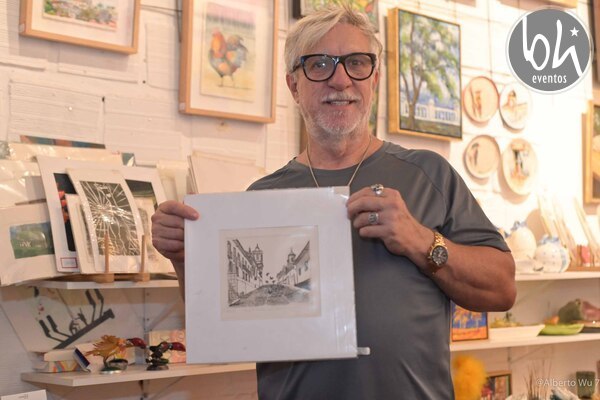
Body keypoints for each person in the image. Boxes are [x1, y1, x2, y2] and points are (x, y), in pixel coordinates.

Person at [151, 5, 516, 399]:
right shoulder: (261, 198)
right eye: (319, 64)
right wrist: (184, 258)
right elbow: (222, 327)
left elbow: (502, 289)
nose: (340, 80)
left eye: (356, 62)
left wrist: (421, 240)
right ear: (294, 86)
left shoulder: (429, 175)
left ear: (375, 78)